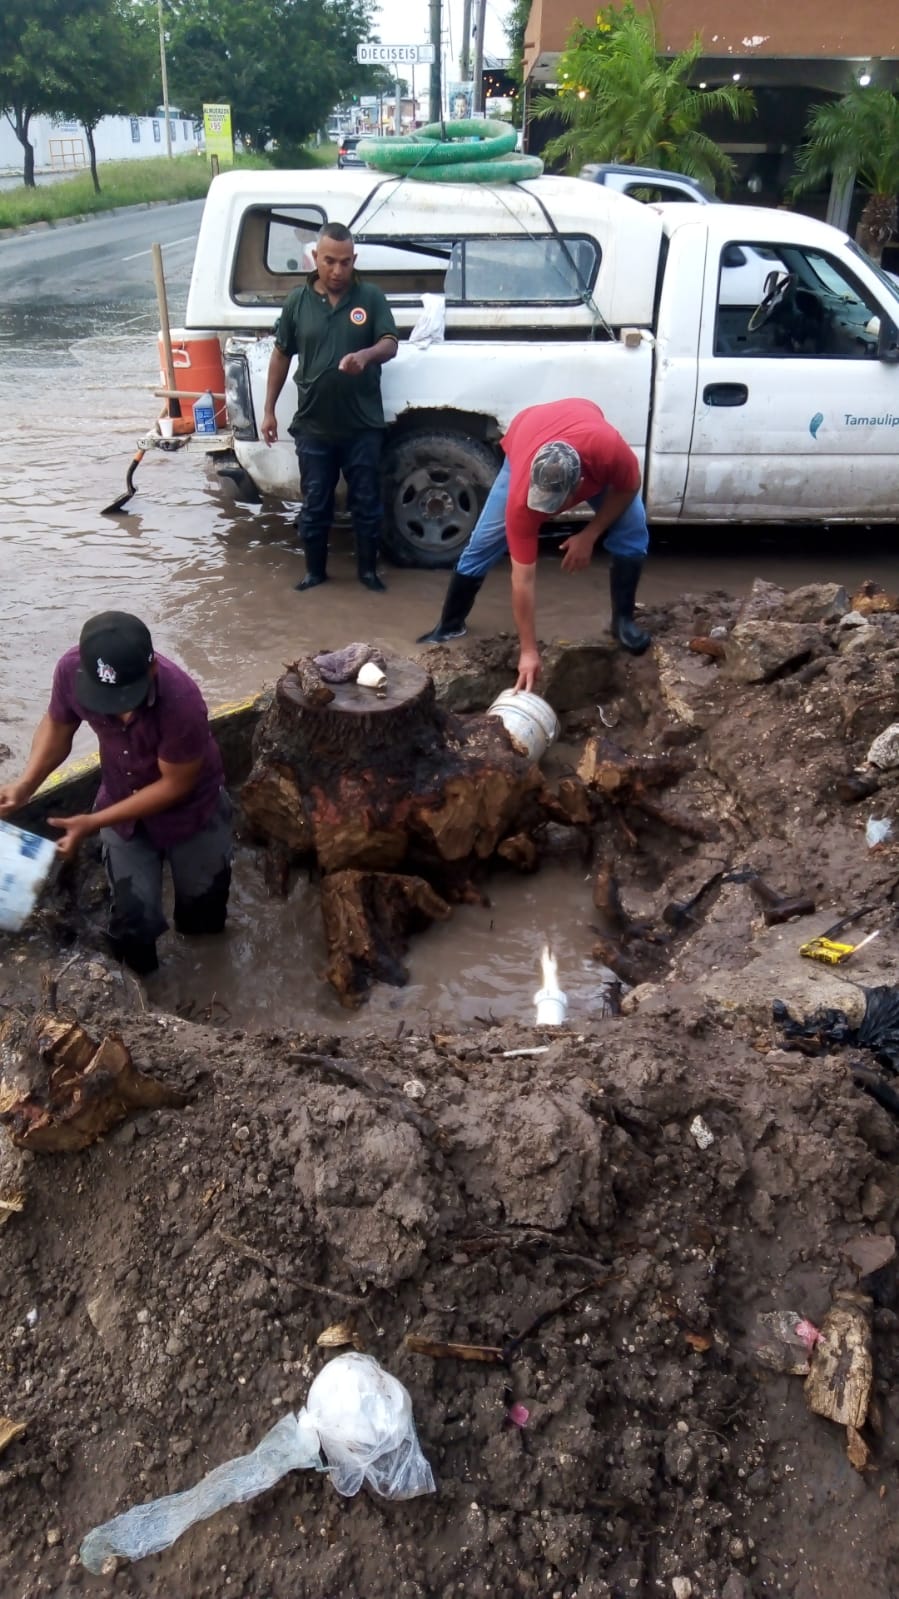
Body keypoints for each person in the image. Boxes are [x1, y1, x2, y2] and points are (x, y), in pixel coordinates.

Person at [0, 612, 232, 976]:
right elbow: (59, 727)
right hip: (121, 798)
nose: (120, 711)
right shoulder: (70, 671)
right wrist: (26, 784)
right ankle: (145, 993)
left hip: (193, 808)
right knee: (132, 921)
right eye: (107, 699)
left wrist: (93, 821)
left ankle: (209, 973)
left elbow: (176, 784)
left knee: (203, 908)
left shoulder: (182, 701)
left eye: (127, 697)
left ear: (152, 671)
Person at [416, 398, 652, 688]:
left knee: (633, 529)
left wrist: (590, 534)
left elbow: (629, 486)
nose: (541, 512)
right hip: (527, 434)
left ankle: (623, 622)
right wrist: (528, 651)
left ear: (579, 486)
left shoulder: (609, 451)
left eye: (551, 505)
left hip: (582, 422)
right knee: (482, 544)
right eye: (539, 502)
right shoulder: (522, 501)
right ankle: (449, 626)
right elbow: (523, 581)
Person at [260, 221, 399, 593]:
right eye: (329, 261)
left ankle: (368, 573)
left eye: (345, 262)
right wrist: (269, 410)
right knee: (315, 503)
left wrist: (366, 356)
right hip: (313, 426)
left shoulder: (370, 298)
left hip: (362, 426)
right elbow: (280, 355)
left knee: (367, 503)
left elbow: (390, 343)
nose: (337, 271)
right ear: (314, 258)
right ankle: (315, 572)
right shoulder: (297, 301)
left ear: (355, 260)